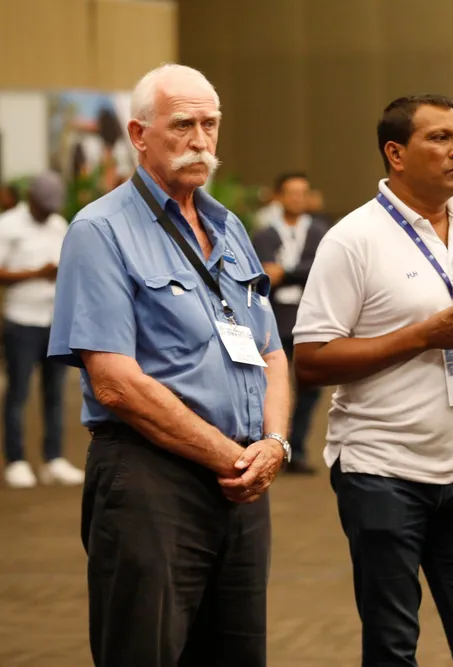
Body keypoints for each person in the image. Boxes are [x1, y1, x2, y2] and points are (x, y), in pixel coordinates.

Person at [47, 63, 289, 667]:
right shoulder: (100, 230)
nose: (200, 140)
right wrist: (231, 456)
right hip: (152, 480)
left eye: (210, 124)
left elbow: (271, 352)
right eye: (183, 125)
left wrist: (276, 443)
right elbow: (115, 383)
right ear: (139, 134)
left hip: (242, 482)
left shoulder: (229, 227)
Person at [292, 94, 453, 667]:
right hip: (380, 470)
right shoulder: (353, 238)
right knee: (393, 646)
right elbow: (312, 360)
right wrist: (423, 336)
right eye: (440, 138)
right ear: (395, 154)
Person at [0, 172, 83, 488]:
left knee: (55, 394)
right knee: (18, 394)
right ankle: (16, 461)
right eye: (44, 205)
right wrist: (38, 273)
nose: (49, 211)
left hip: (53, 321)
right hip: (21, 321)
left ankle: (53, 459)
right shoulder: (8, 225)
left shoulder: (58, 225)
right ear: (31, 198)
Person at [252, 171, 329, 473]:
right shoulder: (264, 234)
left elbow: (321, 268)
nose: (297, 198)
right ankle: (271, 445)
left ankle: (297, 449)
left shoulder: (321, 232)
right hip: (274, 317)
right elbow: (261, 273)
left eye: (302, 193)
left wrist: (285, 272)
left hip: (310, 317)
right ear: (278, 196)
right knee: (271, 384)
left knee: (310, 386)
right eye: (291, 192)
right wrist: (295, 272)